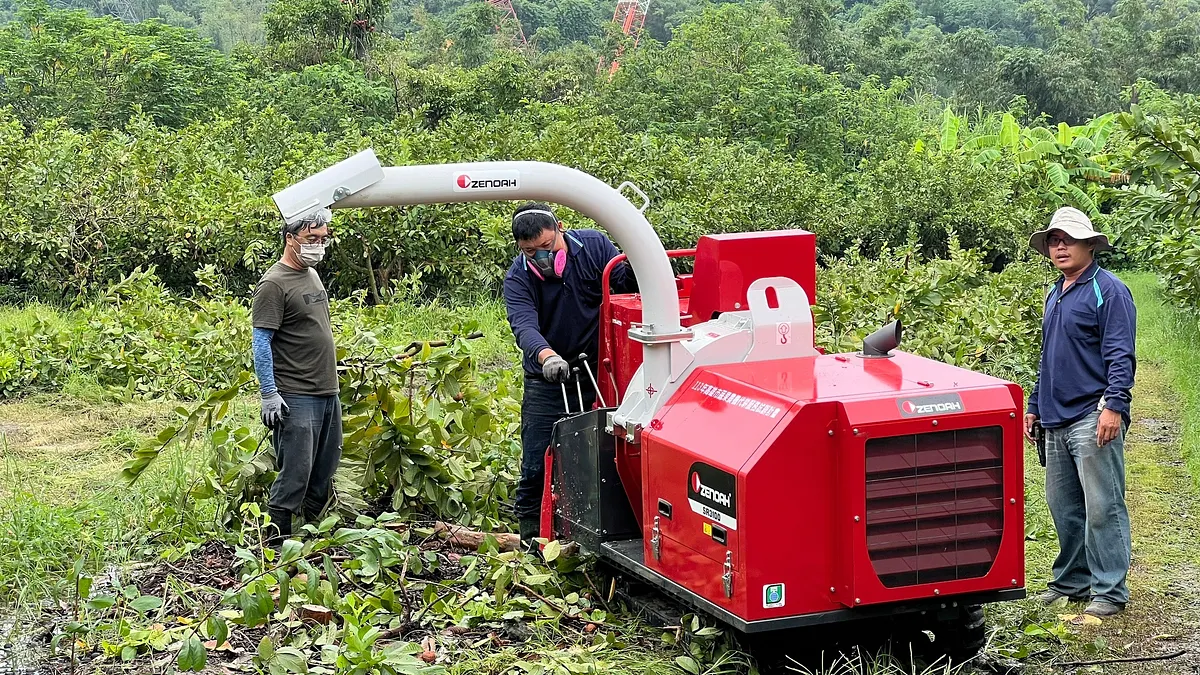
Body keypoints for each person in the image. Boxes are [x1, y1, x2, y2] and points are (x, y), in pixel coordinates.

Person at [502, 202, 637, 550]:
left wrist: (639, 253)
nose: (541, 257)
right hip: (548, 379)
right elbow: (524, 326)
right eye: (530, 251)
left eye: (547, 246)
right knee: (537, 464)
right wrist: (547, 357)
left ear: (560, 228)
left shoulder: (594, 246)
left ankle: (594, 536)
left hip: (599, 373)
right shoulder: (518, 278)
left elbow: (626, 285)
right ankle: (532, 543)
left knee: (602, 460)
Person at [1025, 206, 1136, 618]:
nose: (1060, 247)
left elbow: (1121, 354)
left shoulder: (1109, 290)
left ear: (1090, 245)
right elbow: (1049, 356)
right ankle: (1072, 581)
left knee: (1103, 505)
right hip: (1055, 416)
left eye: (1068, 240)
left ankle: (1109, 590)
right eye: (1054, 240)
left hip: (1093, 412)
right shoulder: (1055, 291)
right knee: (1064, 505)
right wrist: (1034, 405)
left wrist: (1115, 405)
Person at [252, 208, 342, 543]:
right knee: (295, 474)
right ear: (290, 238)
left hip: (327, 390)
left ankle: (314, 538)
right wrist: (269, 392)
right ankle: (275, 547)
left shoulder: (312, 274)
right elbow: (261, 342)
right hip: (296, 394)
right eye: (310, 238)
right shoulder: (273, 284)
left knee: (324, 469)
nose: (318, 245)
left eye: (322, 239)